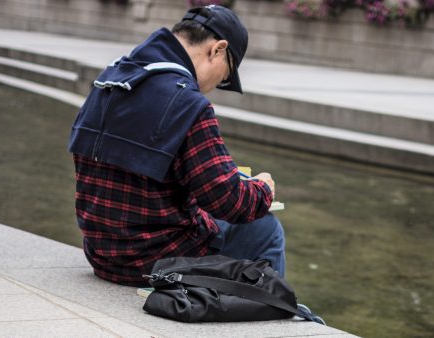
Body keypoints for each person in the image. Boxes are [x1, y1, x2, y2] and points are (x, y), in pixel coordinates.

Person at [68, 5, 285, 287]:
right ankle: (273, 310)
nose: (216, 84)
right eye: (226, 76)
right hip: (156, 261)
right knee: (264, 227)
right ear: (217, 50)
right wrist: (262, 190)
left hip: (103, 255)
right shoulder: (187, 103)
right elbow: (229, 201)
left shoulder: (110, 80)